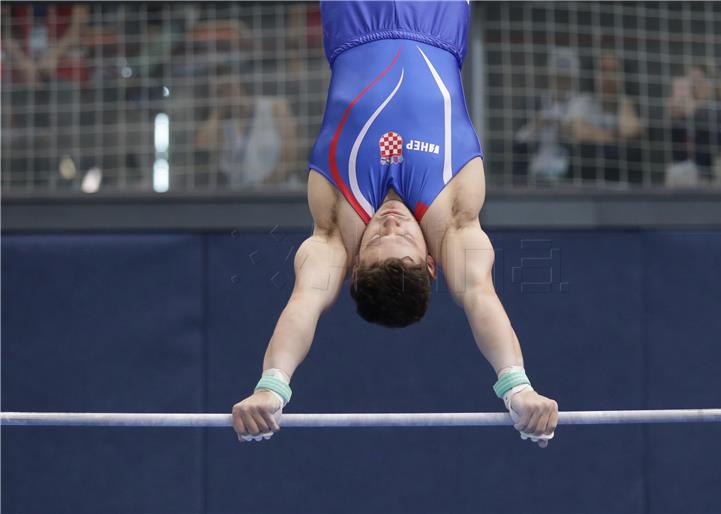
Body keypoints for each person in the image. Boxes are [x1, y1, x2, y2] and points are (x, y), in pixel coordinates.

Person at [231, 1, 558, 446]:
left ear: (350, 264)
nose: (389, 222)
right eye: (401, 237)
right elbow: (479, 295)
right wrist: (517, 386)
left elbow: (306, 301)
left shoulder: (333, 224)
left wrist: (272, 387)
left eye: (374, 240)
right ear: (430, 262)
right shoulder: (455, 215)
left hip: (355, 19)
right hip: (435, 19)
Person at [566, 51, 643, 183]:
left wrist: (594, 133)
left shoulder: (630, 103)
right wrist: (614, 137)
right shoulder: (583, 102)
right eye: (603, 70)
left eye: (614, 71)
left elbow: (630, 131)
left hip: (623, 176)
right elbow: (578, 132)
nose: (608, 77)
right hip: (586, 175)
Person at [513, 47, 584, 183]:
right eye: (558, 78)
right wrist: (537, 125)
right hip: (536, 169)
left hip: (568, 171)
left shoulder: (579, 104)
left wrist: (563, 127)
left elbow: (580, 139)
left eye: (566, 79)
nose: (561, 83)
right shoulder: (535, 103)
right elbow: (519, 139)